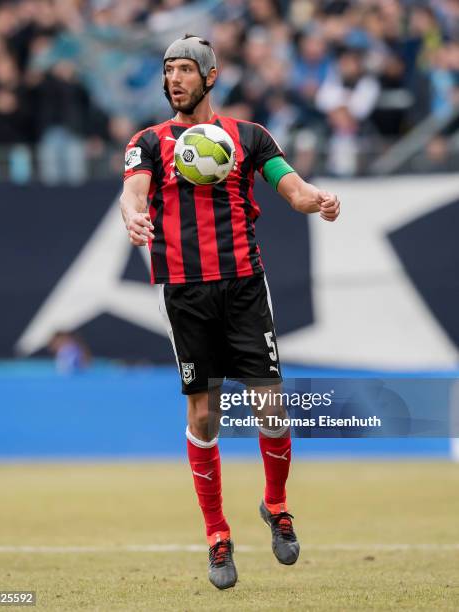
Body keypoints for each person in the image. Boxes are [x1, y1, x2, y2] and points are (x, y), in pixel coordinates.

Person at [120, 34, 340, 590]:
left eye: (186, 70)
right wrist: (133, 217)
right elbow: (135, 193)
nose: (175, 79)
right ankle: (217, 534)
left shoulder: (249, 138)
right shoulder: (147, 141)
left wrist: (318, 198)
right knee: (204, 417)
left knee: (271, 407)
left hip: (244, 286)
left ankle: (276, 503)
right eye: (168, 69)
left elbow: (289, 188)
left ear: (210, 77)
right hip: (185, 294)